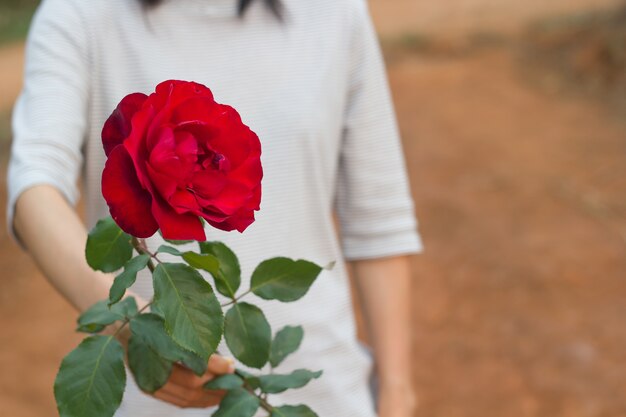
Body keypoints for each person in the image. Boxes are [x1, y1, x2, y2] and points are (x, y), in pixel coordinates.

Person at [7, 0, 422, 416]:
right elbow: (34, 188)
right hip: (149, 403)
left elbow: (379, 222)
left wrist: (396, 393)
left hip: (323, 394)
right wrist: (129, 323)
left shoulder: (334, 13)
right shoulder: (79, 14)